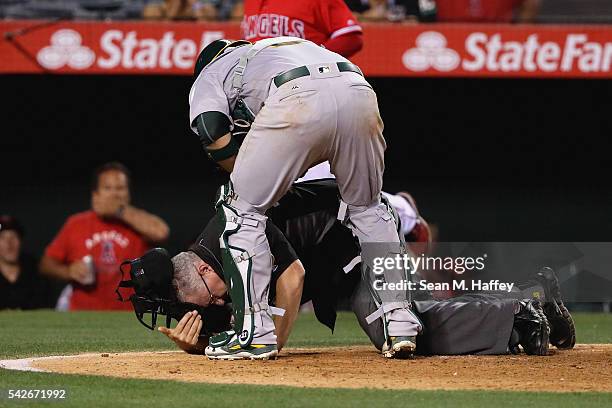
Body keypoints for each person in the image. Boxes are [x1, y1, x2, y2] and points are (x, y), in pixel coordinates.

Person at [134, 179, 574, 358]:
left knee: (394, 331)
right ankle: (530, 299)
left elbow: (292, 277)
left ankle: (519, 315)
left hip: (359, 235)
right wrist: (202, 342)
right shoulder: (211, 254)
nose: (217, 303)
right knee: (410, 314)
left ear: (206, 274)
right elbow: (245, 310)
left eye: (211, 298)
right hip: (339, 250)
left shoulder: (235, 235)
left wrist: (270, 344)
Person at [188, 37, 422, 360]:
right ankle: (400, 322)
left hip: (297, 97)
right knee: (369, 208)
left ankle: (254, 332)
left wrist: (246, 182)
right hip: (358, 89)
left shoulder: (210, 73)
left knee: (239, 209)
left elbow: (210, 128)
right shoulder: (276, 48)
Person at [40, 162, 170, 310]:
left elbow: (161, 233)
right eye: (107, 188)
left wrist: (120, 211)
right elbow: (46, 265)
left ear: (128, 193)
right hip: (82, 315)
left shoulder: (138, 223)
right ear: (95, 194)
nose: (114, 194)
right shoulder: (76, 223)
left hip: (127, 314)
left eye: (120, 188)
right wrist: (68, 271)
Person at [240, 0, 364, 58]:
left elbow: (351, 38)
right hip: (260, 82)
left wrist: (315, 57)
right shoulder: (250, 2)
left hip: (303, 82)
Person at [0, 215, 61, 310]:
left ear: (21, 241)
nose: (9, 243)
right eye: (2, 237)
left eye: (14, 236)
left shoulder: (36, 272)